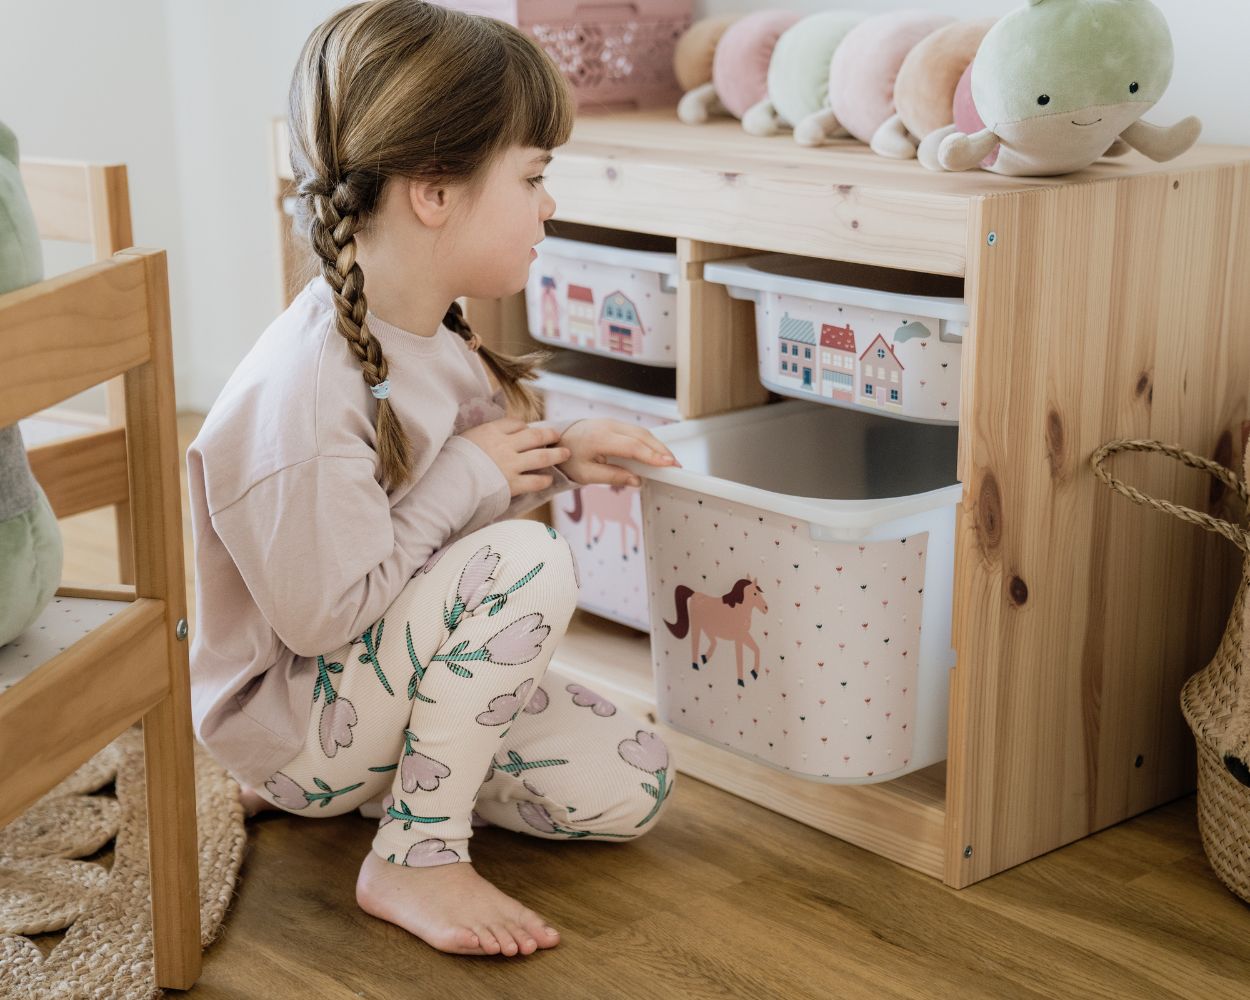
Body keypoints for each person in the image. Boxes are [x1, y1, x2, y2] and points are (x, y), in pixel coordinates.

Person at [185, 0, 681, 959]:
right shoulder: (306, 389)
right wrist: (469, 475)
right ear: (433, 191)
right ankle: (414, 852)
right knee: (525, 564)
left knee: (633, 784)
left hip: (369, 692)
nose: (549, 205)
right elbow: (328, 615)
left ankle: (391, 788)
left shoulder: (431, 330)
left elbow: (446, 514)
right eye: (534, 176)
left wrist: (555, 456)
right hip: (299, 717)